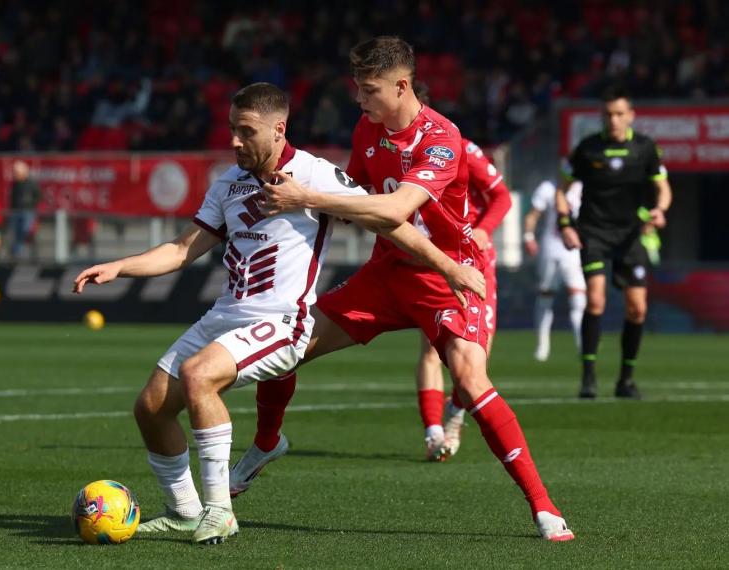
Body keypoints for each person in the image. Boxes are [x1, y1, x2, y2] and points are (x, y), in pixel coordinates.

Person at [72, 82, 484, 546]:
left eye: (246, 131)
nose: (234, 141)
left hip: (284, 321)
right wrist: (120, 267)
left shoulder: (314, 175)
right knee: (150, 408)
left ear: (278, 130)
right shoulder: (228, 182)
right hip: (226, 314)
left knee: (199, 375)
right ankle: (185, 512)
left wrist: (450, 267)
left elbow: (390, 222)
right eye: (232, 129)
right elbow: (182, 249)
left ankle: (219, 512)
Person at [232, 37, 574, 541]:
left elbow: (393, 209)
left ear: (401, 86)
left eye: (369, 90)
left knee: (470, 381)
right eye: (357, 88)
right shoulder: (367, 130)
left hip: (446, 275)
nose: (359, 99)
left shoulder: (442, 138)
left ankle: (543, 506)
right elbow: (353, 196)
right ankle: (266, 443)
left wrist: (307, 196)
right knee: (286, 345)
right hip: (386, 273)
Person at [410, 82, 513, 461]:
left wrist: (483, 230)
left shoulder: (460, 148)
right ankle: (434, 433)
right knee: (430, 348)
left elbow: (501, 196)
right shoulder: (393, 152)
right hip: (429, 259)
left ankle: (455, 412)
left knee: (476, 358)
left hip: (472, 261)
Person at [557, 86, 672, 399]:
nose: (614, 120)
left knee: (638, 309)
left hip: (631, 235)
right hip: (593, 232)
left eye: (620, 114)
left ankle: (626, 380)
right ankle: (588, 378)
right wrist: (565, 224)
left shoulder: (646, 148)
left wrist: (660, 210)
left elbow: (663, 188)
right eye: (608, 114)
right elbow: (562, 190)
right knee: (596, 300)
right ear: (602, 116)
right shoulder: (587, 149)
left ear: (631, 115)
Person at [523, 179, 587, 362]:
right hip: (551, 249)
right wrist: (528, 237)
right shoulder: (548, 188)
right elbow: (532, 215)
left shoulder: (583, 187)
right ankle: (542, 345)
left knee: (578, 299)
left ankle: (583, 346)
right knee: (546, 296)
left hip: (573, 250)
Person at [8, 160, 41, 260]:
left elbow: (38, 196)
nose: (15, 175)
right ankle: (16, 255)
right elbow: (12, 198)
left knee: (25, 231)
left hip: (28, 211)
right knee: (16, 233)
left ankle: (28, 254)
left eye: (17, 172)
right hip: (16, 212)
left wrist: (30, 204)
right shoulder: (15, 184)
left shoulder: (31, 184)